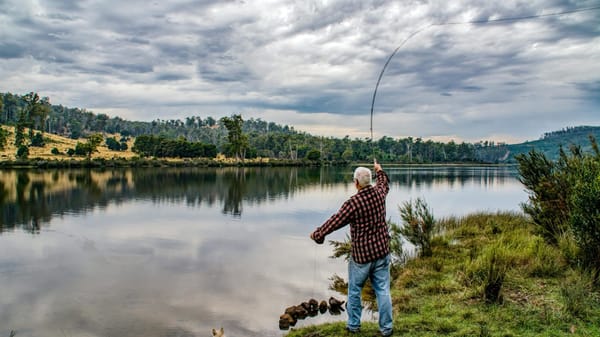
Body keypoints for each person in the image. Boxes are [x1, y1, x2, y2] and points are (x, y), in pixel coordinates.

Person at [310, 159, 393, 337]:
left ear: (356, 183)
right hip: (381, 252)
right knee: (383, 290)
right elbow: (384, 183)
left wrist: (318, 234)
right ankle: (386, 329)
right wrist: (379, 170)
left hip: (362, 257)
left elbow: (335, 220)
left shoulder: (353, 203)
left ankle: (354, 325)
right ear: (368, 181)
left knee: (355, 290)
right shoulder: (379, 193)